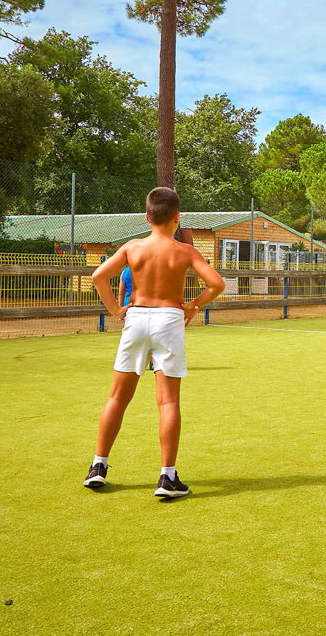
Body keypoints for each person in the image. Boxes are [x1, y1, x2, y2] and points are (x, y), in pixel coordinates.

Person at [83, 187, 225, 499]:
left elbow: (98, 276)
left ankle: (98, 466)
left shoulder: (132, 247)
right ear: (177, 218)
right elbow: (216, 284)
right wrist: (194, 305)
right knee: (168, 401)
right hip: (168, 319)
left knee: (117, 397)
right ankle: (167, 477)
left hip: (136, 318)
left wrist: (115, 310)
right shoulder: (186, 252)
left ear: (147, 217)